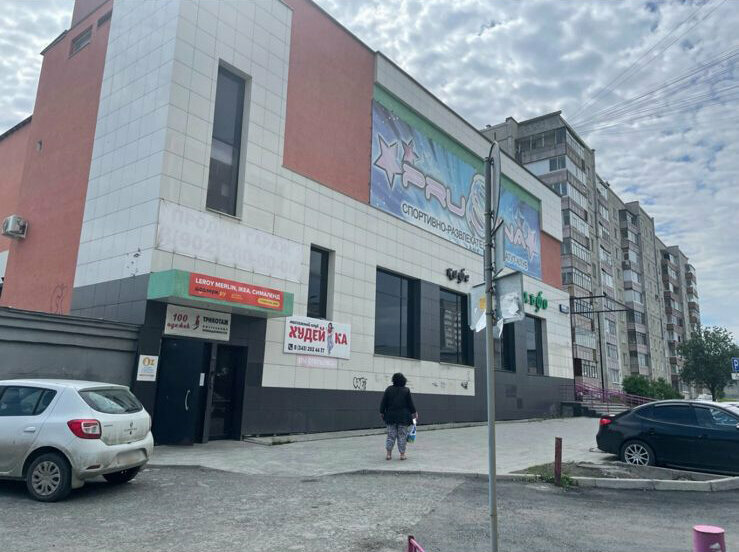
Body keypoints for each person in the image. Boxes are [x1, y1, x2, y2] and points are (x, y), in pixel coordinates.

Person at [379, 372, 418, 461]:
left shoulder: (389, 389)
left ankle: (388, 454)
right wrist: (414, 412)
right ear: (403, 380)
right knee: (402, 436)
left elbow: (383, 402)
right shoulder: (406, 390)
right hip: (403, 417)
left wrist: (382, 412)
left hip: (390, 416)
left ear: (394, 380)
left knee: (391, 435)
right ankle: (402, 455)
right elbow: (410, 403)